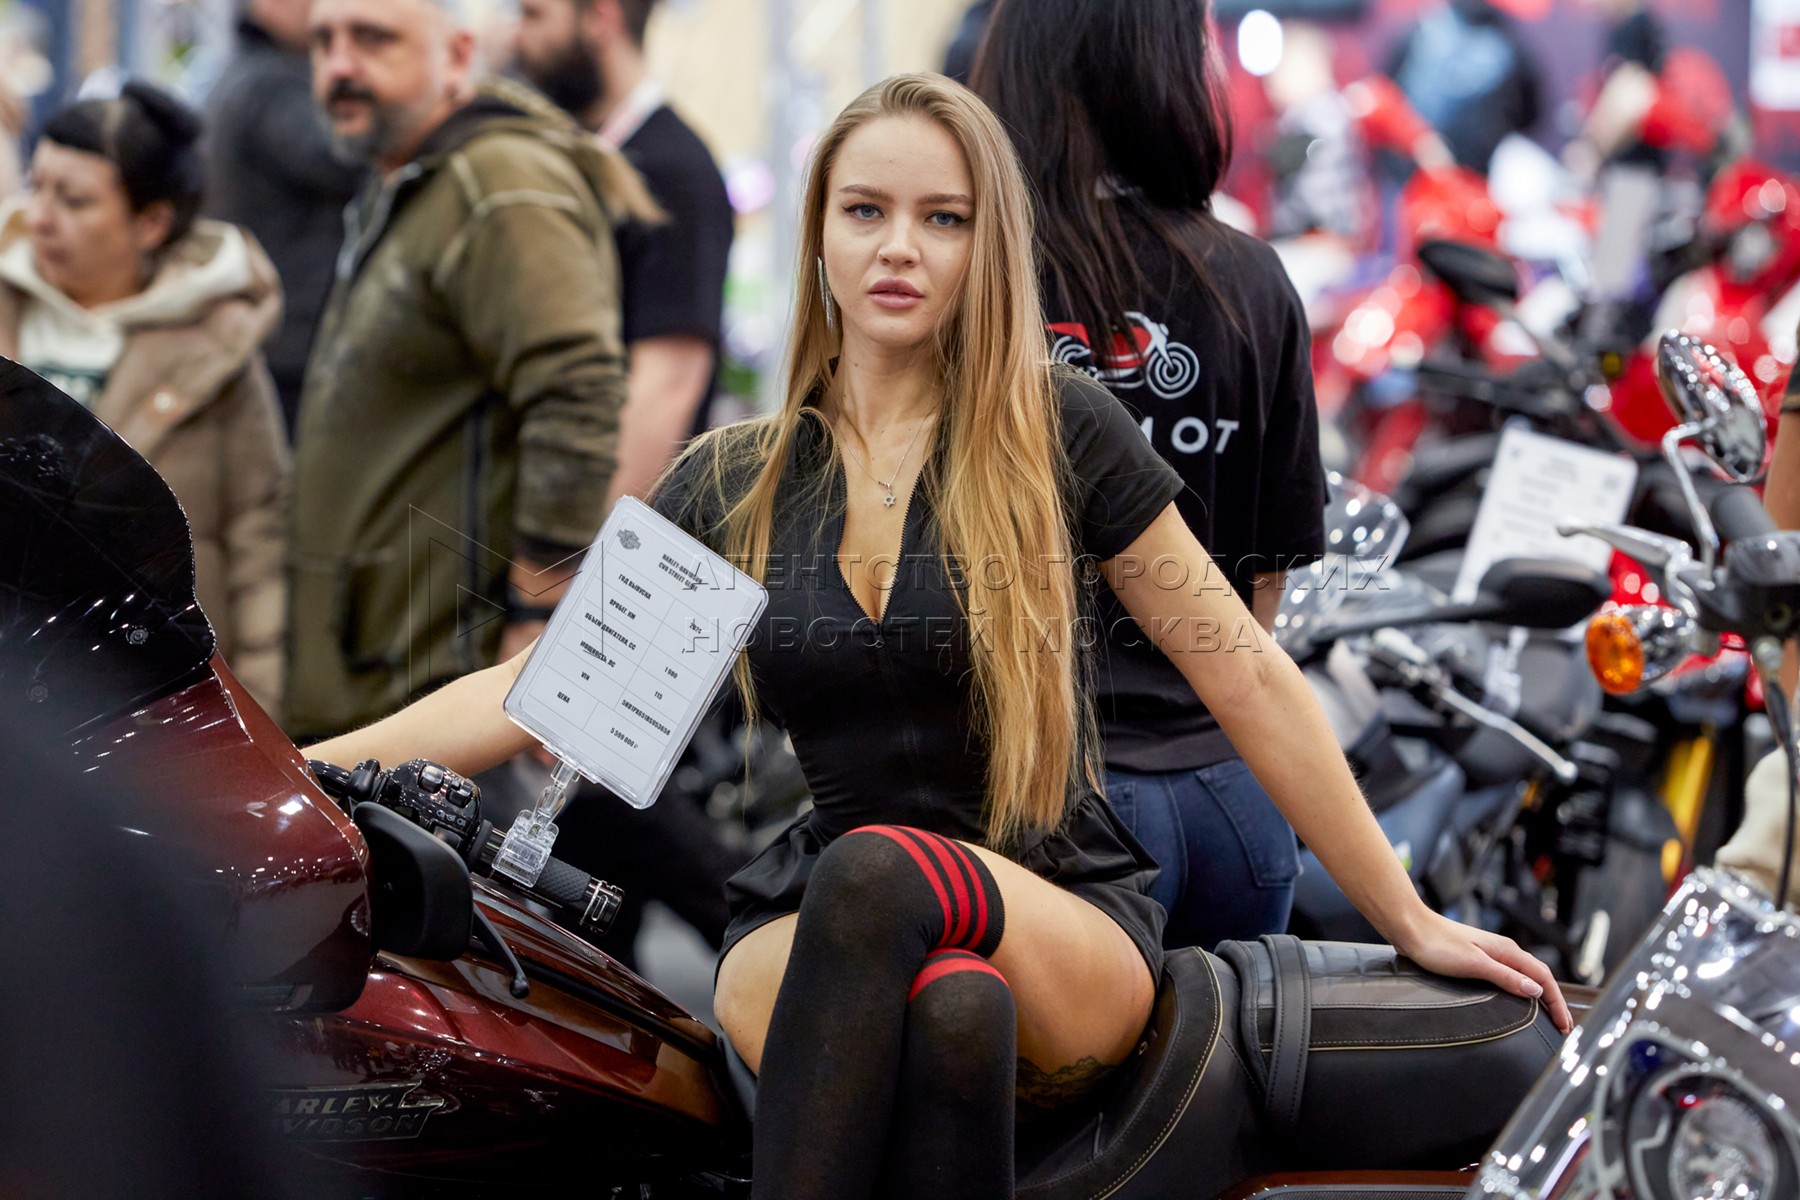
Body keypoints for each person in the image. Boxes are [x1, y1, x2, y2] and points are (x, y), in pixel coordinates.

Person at [307, 72, 1570, 1199]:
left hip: (1057, 907)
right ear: (819, 235)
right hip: (822, 912)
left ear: (987, 245)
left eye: (942, 218)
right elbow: (540, 690)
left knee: (888, 882)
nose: (898, 247)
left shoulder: (1058, 429)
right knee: (948, 1001)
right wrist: (300, 773)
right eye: (865, 211)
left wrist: (1407, 917)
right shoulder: (736, 478)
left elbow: (1244, 673)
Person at [973, 0, 1325, 949]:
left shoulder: (982, 278)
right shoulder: (1252, 278)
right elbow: (1262, 593)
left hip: (1054, 798)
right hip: (1236, 799)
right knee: (1230, 1050)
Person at [286, 0, 657, 742]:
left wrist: (538, 614)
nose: (339, 66)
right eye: (324, 41)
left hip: (445, 692)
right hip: (373, 672)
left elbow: (577, 390)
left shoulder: (498, 181)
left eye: (373, 38)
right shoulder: (417, 178)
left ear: (457, 57)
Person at [0, 82, 289, 714]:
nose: (39, 217)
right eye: (35, 186)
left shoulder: (218, 348)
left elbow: (261, 544)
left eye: (73, 199)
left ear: (151, 222)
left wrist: (258, 712)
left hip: (153, 699)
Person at [511, 0, 735, 512]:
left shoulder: (673, 170)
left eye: (533, 15)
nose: (517, 37)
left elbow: (667, 385)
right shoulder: (579, 153)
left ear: (600, 19)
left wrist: (583, 549)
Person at [206, 0, 364, 431]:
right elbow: (340, 158)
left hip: (276, 330)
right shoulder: (271, 84)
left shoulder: (249, 73)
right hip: (290, 338)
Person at [1385, 0, 1542, 175]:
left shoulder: (1508, 53)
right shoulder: (1508, 50)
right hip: (1409, 158)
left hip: (1456, 171)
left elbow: (1530, 114)